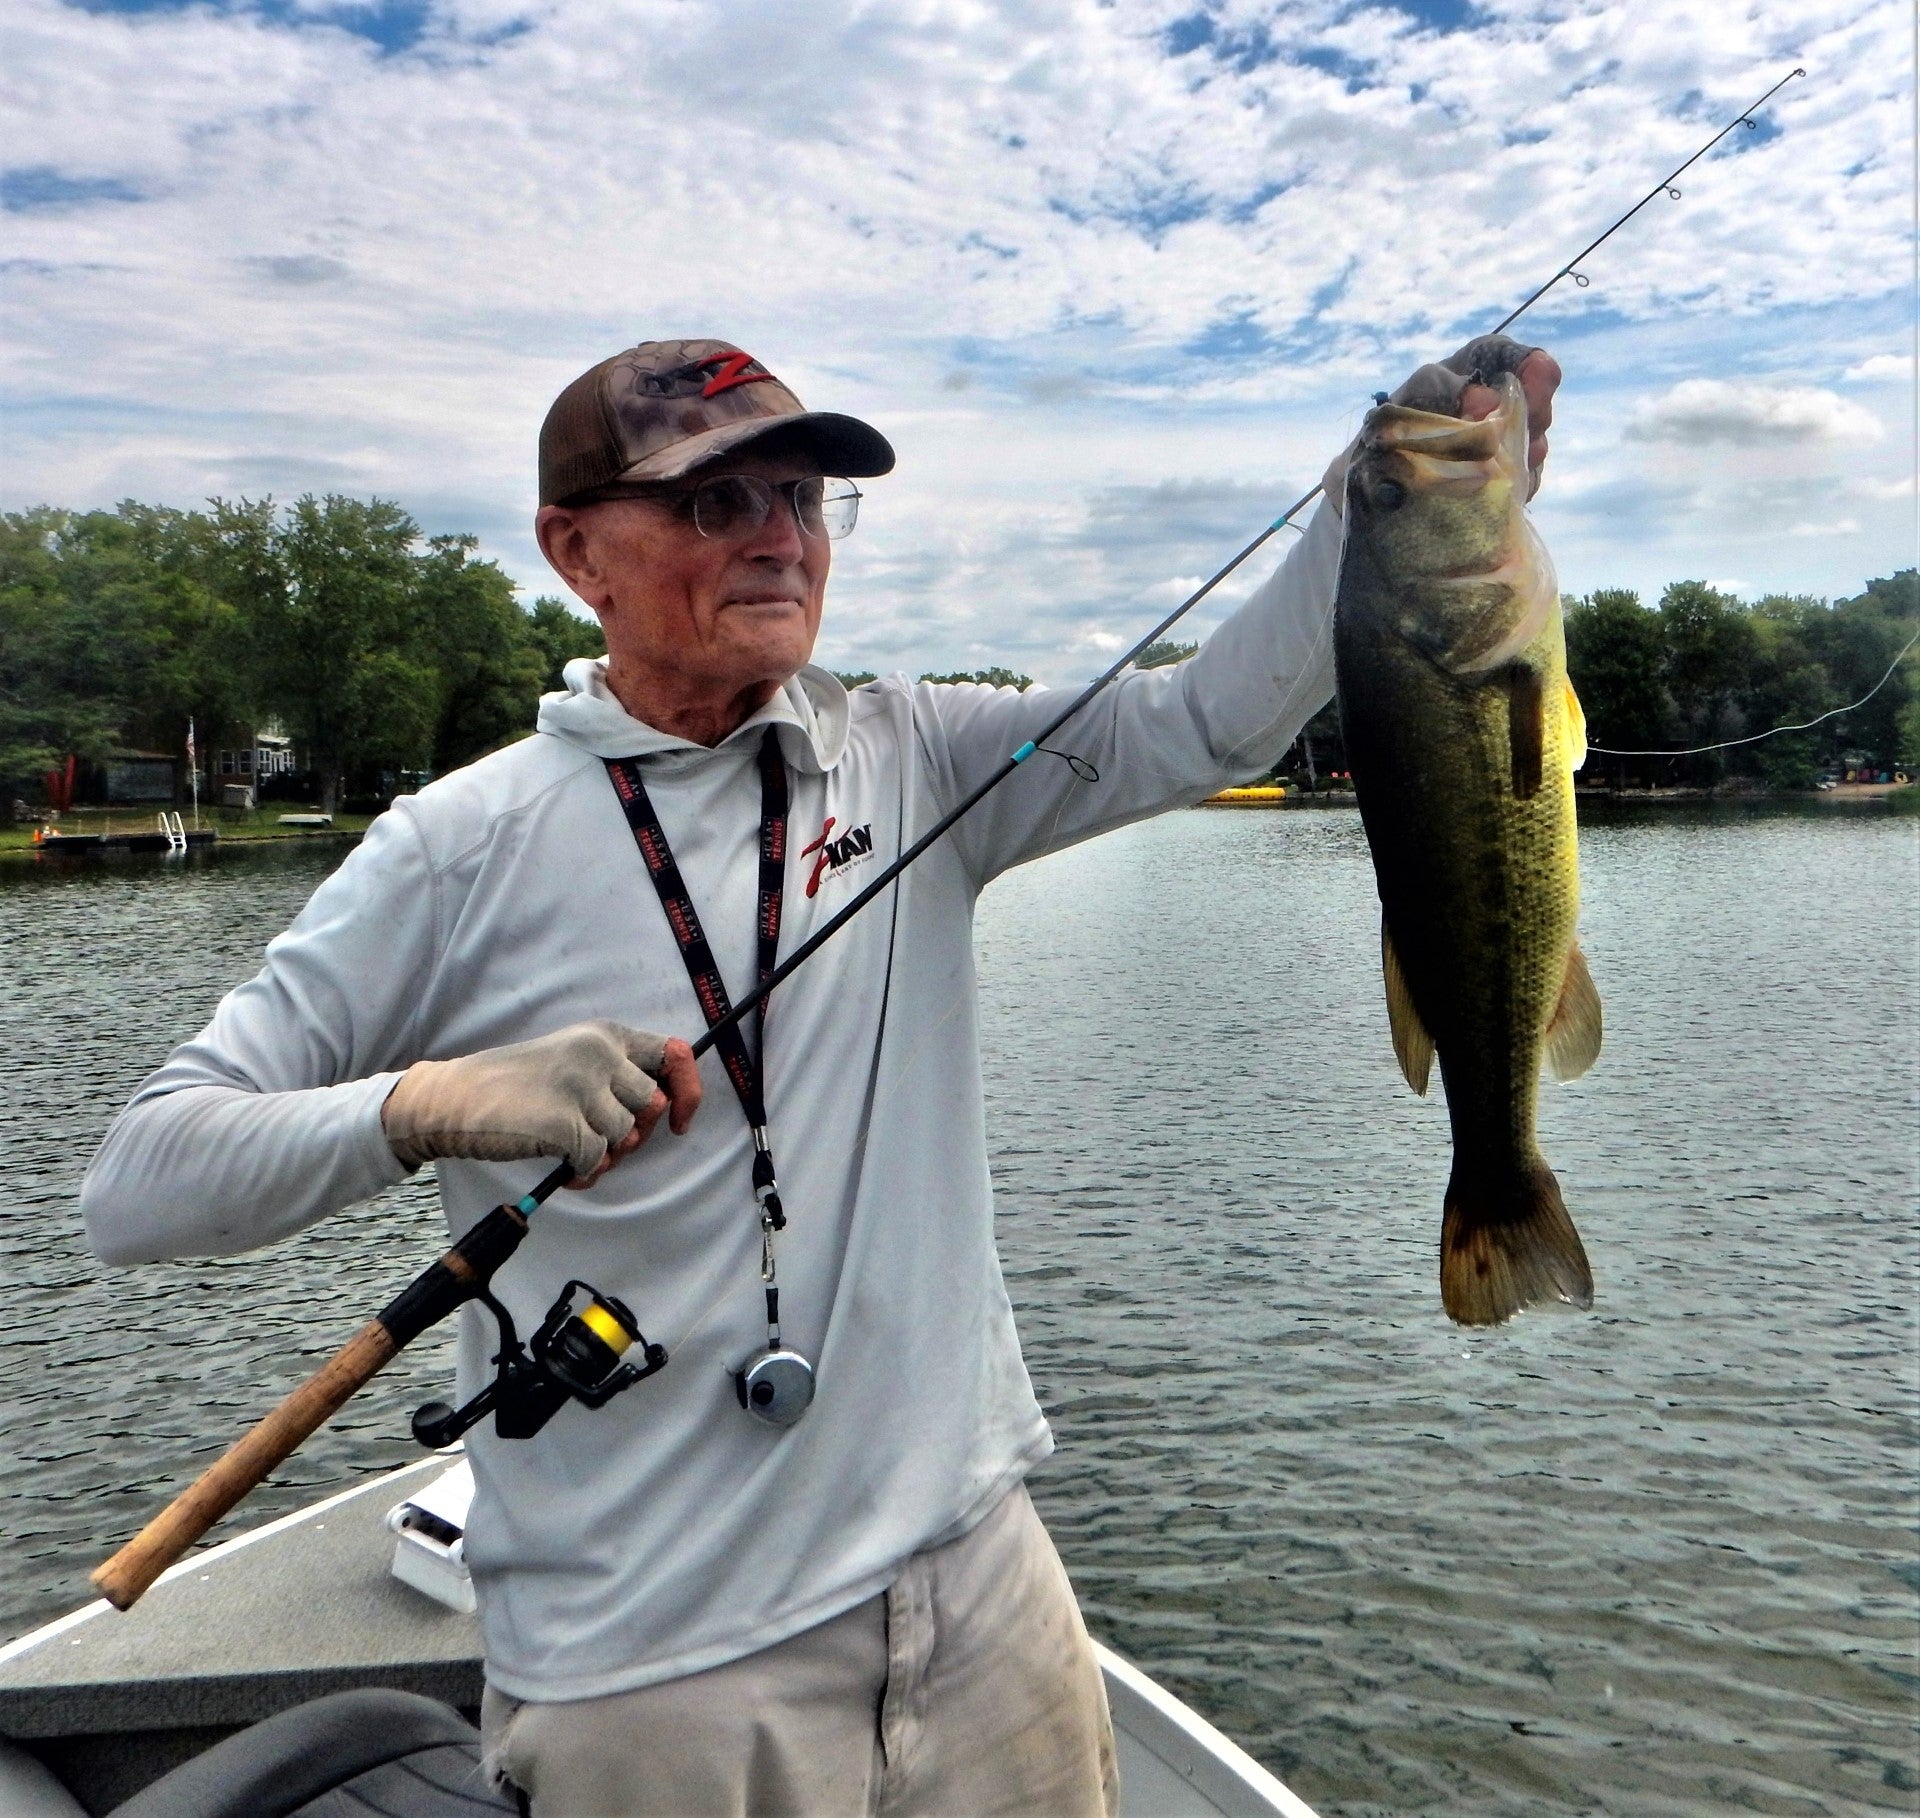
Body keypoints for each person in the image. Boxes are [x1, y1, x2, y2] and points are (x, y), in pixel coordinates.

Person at [81, 334, 1559, 1816]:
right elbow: (140, 1182)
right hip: (652, 1666)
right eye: (716, 506)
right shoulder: (456, 845)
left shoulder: (912, 751)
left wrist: (1389, 496)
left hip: (974, 1582)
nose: (780, 537)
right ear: (574, 551)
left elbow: (1201, 719)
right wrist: (431, 1103)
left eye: (801, 497)